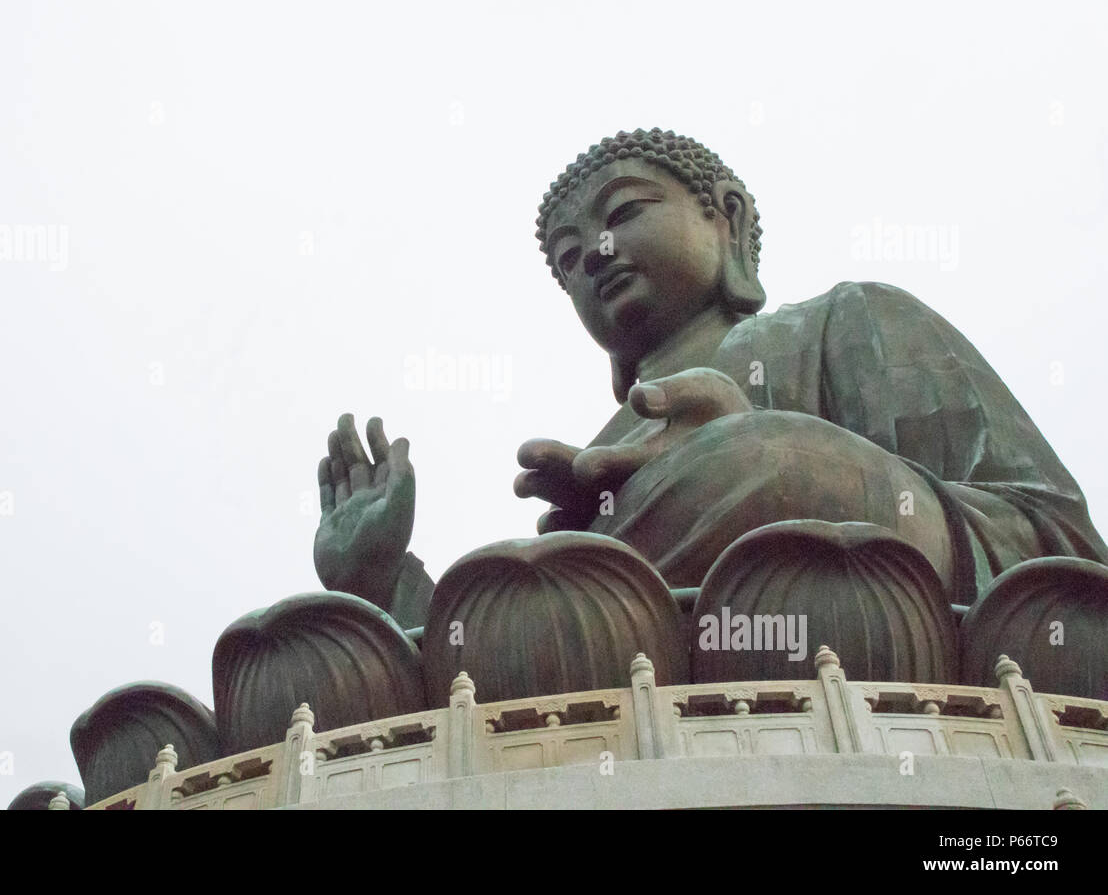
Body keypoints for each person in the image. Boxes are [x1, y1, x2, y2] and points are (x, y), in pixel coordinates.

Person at [314, 128, 1108, 626]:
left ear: (722, 217)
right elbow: (525, 645)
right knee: (511, 608)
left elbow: (1059, 554)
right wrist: (381, 582)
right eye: (566, 257)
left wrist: (782, 462)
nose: (594, 253)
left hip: (886, 653)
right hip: (622, 683)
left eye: (623, 213)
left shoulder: (849, 321)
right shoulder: (599, 453)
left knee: (752, 465)